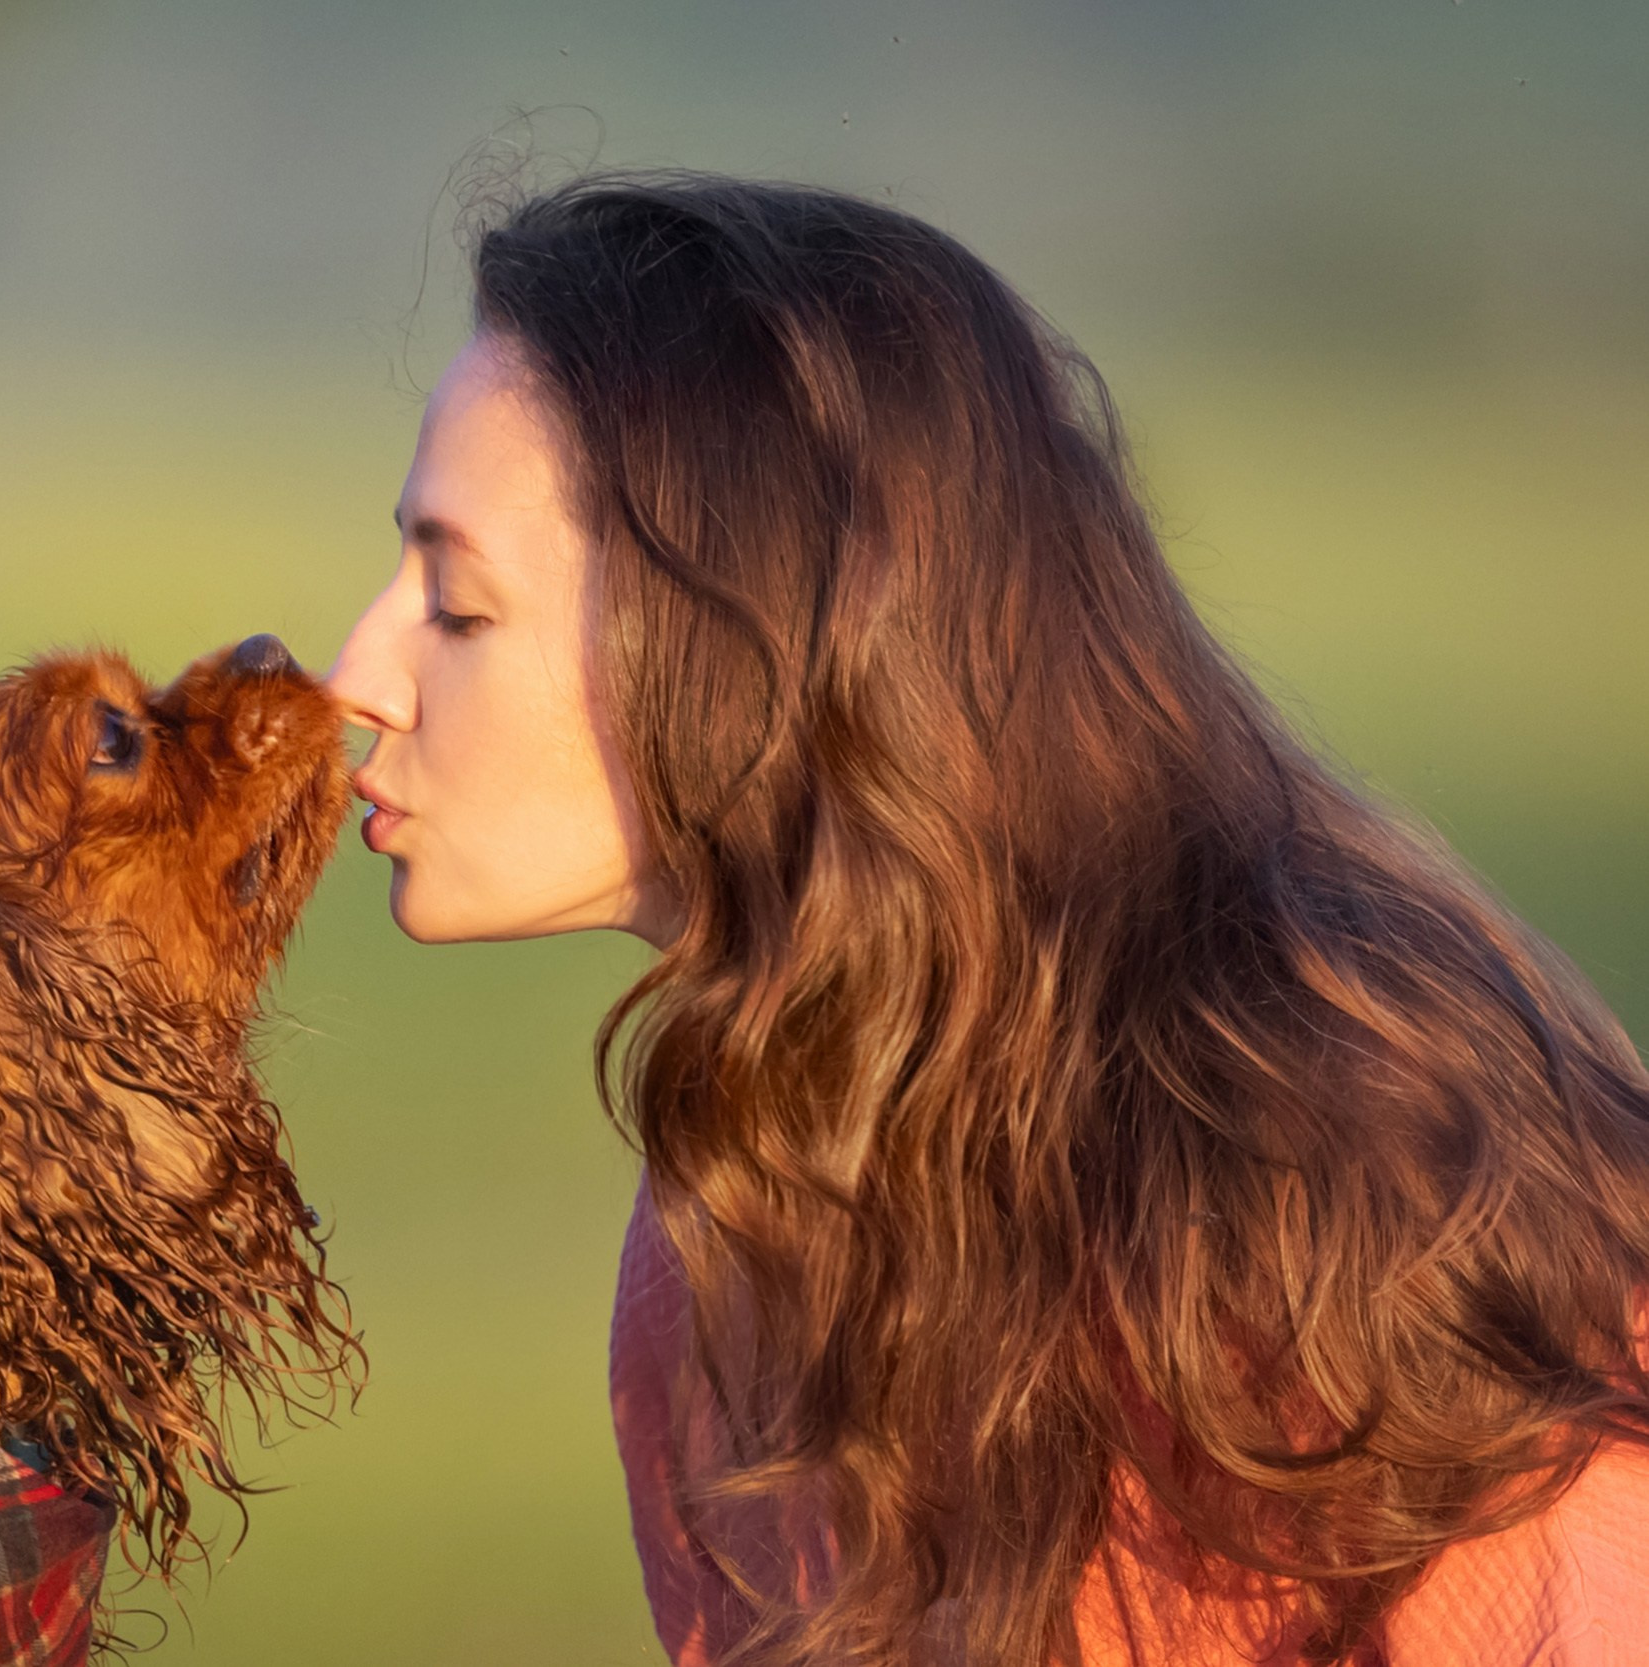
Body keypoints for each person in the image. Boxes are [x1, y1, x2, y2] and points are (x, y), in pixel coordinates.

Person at [325, 174, 1649, 1667]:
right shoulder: (730, 1245)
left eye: (460, 603)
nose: (352, 674)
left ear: (752, 639)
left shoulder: (1327, 1211)